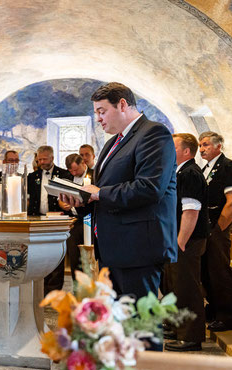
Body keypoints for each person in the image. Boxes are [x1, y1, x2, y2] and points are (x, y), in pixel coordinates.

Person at [61, 82, 177, 304]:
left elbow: (149, 188)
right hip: (112, 248)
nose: (98, 118)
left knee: (138, 327)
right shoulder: (113, 142)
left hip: (137, 248)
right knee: (120, 326)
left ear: (122, 105)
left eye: (101, 111)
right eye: (96, 113)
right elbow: (101, 191)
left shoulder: (153, 133)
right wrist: (79, 200)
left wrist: (99, 193)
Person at [163, 134, 209, 352]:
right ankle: (176, 326)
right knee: (174, 284)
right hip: (177, 238)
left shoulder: (190, 173)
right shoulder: (181, 171)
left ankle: (191, 336)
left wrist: (180, 241)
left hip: (187, 240)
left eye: (173, 147)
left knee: (187, 286)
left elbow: (191, 210)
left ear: (187, 151)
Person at [199, 131, 232, 332]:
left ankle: (227, 315)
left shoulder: (229, 167)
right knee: (205, 271)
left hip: (218, 226)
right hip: (204, 226)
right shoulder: (205, 169)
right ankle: (214, 307)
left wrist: (218, 230)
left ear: (218, 146)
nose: (202, 149)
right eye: (200, 145)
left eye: (206, 145)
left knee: (219, 271)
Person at [27, 145, 72, 295]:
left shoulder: (64, 174)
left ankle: (53, 291)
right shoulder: (32, 177)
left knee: (55, 254)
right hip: (37, 219)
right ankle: (40, 289)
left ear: (52, 158)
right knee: (38, 254)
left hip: (56, 220)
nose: (41, 162)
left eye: (44, 159)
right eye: (39, 159)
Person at [64, 153, 92, 281]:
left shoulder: (95, 174)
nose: (73, 173)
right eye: (71, 170)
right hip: (74, 222)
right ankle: (77, 290)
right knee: (75, 259)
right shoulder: (67, 177)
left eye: (76, 170)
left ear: (83, 164)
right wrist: (62, 203)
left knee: (89, 258)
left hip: (90, 221)